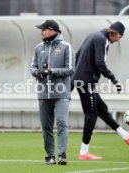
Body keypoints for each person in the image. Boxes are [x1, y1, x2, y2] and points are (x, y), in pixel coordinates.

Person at [71, 21, 129, 160]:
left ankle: (127, 136)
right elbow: (100, 63)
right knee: (91, 116)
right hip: (86, 82)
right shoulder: (102, 40)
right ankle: (83, 152)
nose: (119, 40)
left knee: (102, 109)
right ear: (114, 33)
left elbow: (77, 56)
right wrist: (114, 79)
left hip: (82, 80)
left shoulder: (92, 35)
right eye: (119, 36)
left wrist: (73, 78)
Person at [30, 20, 74, 165]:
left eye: (43, 29)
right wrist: (38, 73)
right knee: (46, 127)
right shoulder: (38, 47)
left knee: (62, 123)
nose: (41, 32)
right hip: (44, 94)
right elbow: (32, 67)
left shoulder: (66, 47)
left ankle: (62, 155)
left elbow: (70, 69)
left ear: (52, 30)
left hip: (61, 94)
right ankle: (50, 156)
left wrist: (52, 71)